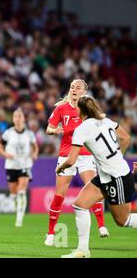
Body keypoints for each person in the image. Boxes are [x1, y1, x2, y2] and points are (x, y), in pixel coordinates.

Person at [56, 96, 136, 258]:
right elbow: (126, 138)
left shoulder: (82, 129)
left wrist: (60, 167)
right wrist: (117, 157)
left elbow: (71, 160)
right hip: (106, 175)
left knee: (123, 221)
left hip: (117, 177)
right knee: (79, 205)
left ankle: (83, 250)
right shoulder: (106, 121)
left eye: (77, 108)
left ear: (81, 110)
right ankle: (83, 251)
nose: (75, 110)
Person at [44, 79, 109, 246]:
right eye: (72, 87)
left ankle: (101, 225)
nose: (74, 89)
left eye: (78, 87)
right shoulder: (61, 108)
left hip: (86, 155)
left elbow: (101, 126)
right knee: (60, 194)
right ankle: (51, 233)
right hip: (67, 154)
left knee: (93, 188)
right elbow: (49, 128)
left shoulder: (89, 109)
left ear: (84, 91)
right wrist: (54, 130)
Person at [0, 108, 39, 227]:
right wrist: (6, 154)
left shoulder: (29, 134)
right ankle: (18, 211)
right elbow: (0, 148)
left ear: (24, 118)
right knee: (14, 193)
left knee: (21, 191)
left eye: (20, 116)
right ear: (13, 119)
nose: (18, 118)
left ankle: (19, 219)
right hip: (11, 165)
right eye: (16, 116)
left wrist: (35, 153)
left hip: (25, 164)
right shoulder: (8, 133)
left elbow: (35, 146)